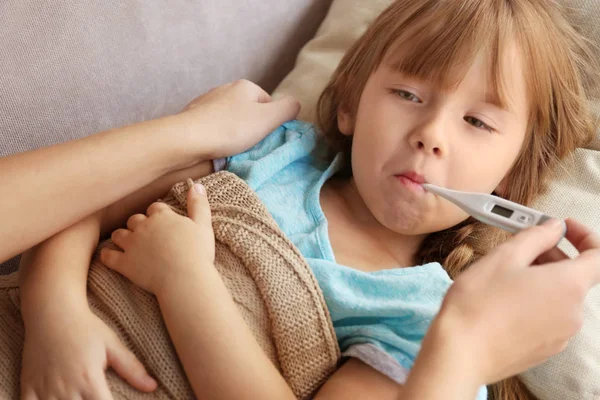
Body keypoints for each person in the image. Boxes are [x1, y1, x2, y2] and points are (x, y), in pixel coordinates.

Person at [15, 0, 600, 399]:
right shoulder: (267, 151)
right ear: (349, 105)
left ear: (512, 177)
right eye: (406, 92)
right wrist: (54, 311)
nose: (432, 133)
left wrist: (183, 280)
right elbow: (85, 197)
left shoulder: (427, 322)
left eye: (476, 120)